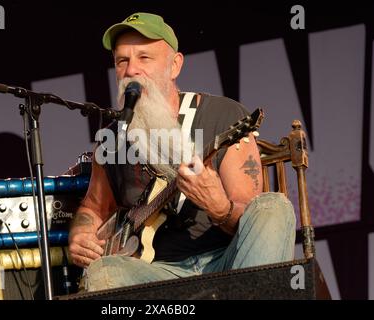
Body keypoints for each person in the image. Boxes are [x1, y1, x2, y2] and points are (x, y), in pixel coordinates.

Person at [68, 12, 296, 292]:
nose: (131, 70)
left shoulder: (223, 115)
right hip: (155, 274)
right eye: (122, 61)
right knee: (103, 272)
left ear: (175, 66)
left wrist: (219, 207)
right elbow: (94, 204)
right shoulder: (113, 138)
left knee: (273, 208)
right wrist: (82, 232)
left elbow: (250, 218)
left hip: (228, 262)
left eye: (144, 58)